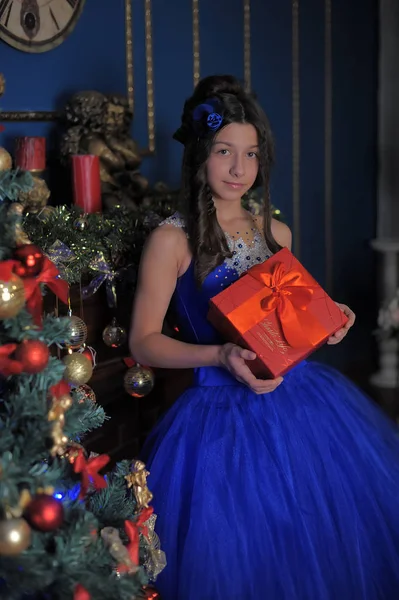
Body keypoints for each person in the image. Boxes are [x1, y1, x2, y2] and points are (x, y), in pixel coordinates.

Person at [129, 75, 399, 599]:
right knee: (236, 549)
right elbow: (142, 342)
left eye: (251, 154)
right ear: (200, 156)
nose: (238, 169)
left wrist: (332, 319)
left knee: (316, 532)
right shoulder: (171, 240)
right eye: (225, 151)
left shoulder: (275, 233)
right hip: (215, 416)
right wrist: (220, 352)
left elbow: (291, 323)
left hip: (300, 404)